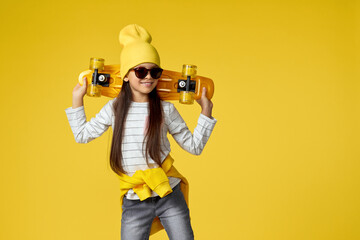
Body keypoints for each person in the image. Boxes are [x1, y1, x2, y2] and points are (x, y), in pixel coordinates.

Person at [65, 24, 217, 240]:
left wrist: (206, 111)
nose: (148, 77)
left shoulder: (166, 109)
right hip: (135, 200)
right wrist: (77, 99)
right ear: (126, 75)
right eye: (140, 71)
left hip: (168, 195)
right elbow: (82, 135)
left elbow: (194, 147)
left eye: (155, 71)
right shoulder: (114, 108)